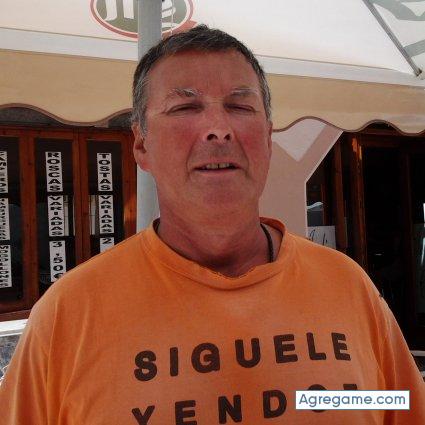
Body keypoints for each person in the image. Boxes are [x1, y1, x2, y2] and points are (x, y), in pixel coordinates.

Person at [0, 25, 424, 425]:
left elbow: (391, 403)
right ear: (142, 144)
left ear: (268, 137)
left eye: (239, 106)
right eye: (185, 107)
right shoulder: (69, 316)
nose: (219, 129)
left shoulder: (348, 287)